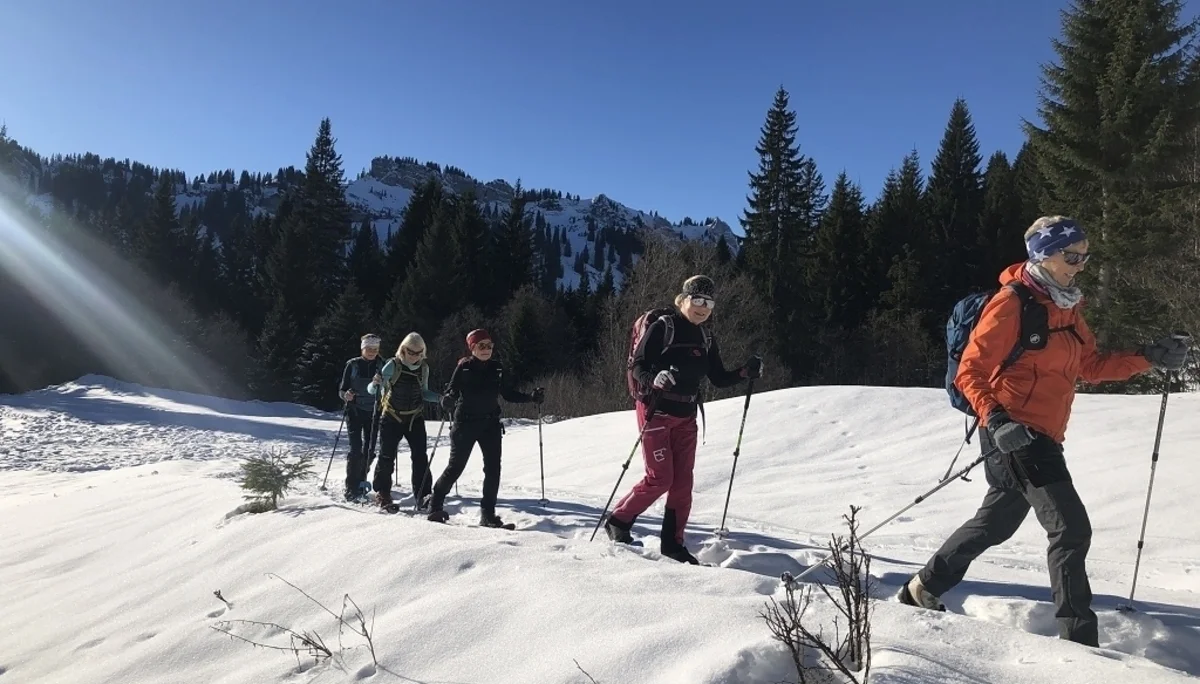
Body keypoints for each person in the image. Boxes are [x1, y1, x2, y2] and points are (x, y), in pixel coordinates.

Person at [898, 216, 1190, 646]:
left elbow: (1090, 366)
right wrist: (997, 420)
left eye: (1085, 256)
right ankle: (1079, 640)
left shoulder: (1067, 307)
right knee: (1070, 529)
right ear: (1044, 255)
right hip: (1014, 431)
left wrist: (1148, 356)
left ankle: (923, 587)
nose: (1080, 265)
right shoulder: (1011, 303)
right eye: (1072, 256)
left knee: (996, 522)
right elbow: (970, 372)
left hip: (1042, 435)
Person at [603, 274, 763, 564]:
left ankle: (673, 545)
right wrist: (654, 379)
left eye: (709, 303)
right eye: (697, 300)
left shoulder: (706, 337)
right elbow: (638, 365)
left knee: (682, 484)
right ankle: (619, 520)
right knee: (660, 478)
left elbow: (718, 378)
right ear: (683, 300)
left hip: (687, 416)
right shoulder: (664, 327)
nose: (703, 307)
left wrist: (744, 373)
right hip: (656, 411)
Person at [424, 329, 545, 527]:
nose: (486, 349)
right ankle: (435, 504)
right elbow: (452, 391)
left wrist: (531, 398)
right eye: (481, 346)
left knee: (493, 469)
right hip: (465, 424)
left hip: (490, 424)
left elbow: (507, 394)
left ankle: (488, 515)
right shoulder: (464, 368)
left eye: (489, 345)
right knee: (456, 467)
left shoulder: (497, 368)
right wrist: (447, 400)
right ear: (472, 348)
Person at [367, 332, 441, 511]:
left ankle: (423, 495)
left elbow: (424, 392)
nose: (414, 356)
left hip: (414, 417)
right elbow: (372, 390)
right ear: (403, 349)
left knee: (420, 457)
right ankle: (383, 493)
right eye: (411, 352)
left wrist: (440, 398)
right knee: (386, 456)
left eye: (419, 353)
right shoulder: (392, 365)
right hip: (392, 416)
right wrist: (375, 383)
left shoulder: (423, 368)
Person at [338, 333, 385, 502]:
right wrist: (346, 395)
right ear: (362, 349)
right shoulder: (352, 365)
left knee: (370, 449)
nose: (372, 351)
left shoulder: (383, 365)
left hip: (374, 411)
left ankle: (361, 479)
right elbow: (342, 389)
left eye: (375, 349)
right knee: (356, 449)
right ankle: (351, 486)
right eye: (369, 348)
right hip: (355, 412)